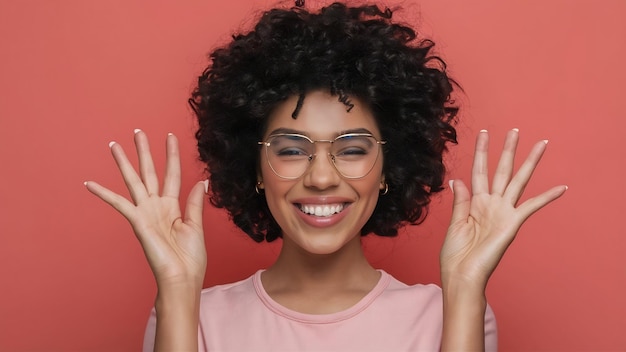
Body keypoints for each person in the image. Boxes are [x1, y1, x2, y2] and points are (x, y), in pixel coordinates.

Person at [84, 2, 567, 351]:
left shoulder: (454, 312)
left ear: (387, 169)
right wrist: (176, 289)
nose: (320, 178)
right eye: (292, 149)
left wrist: (465, 287)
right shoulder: (189, 313)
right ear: (254, 169)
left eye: (352, 149)